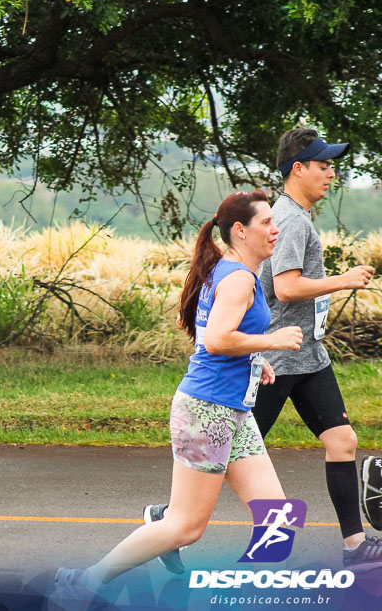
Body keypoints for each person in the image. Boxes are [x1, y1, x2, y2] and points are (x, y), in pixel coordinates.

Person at [51, 190, 303, 600]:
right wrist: (270, 341)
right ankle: (83, 582)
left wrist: (256, 357)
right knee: (185, 526)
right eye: (267, 224)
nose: (276, 230)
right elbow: (219, 340)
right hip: (207, 412)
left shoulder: (229, 270)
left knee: (278, 518)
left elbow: (211, 339)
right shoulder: (238, 277)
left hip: (232, 412)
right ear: (240, 231)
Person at [252, 128, 382, 566]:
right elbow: (286, 289)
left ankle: (355, 546)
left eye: (332, 165)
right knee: (232, 456)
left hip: (307, 356)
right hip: (275, 359)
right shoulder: (287, 220)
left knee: (343, 440)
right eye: (323, 165)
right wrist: (343, 280)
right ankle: (170, 519)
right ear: (298, 169)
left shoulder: (297, 216)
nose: (331, 173)